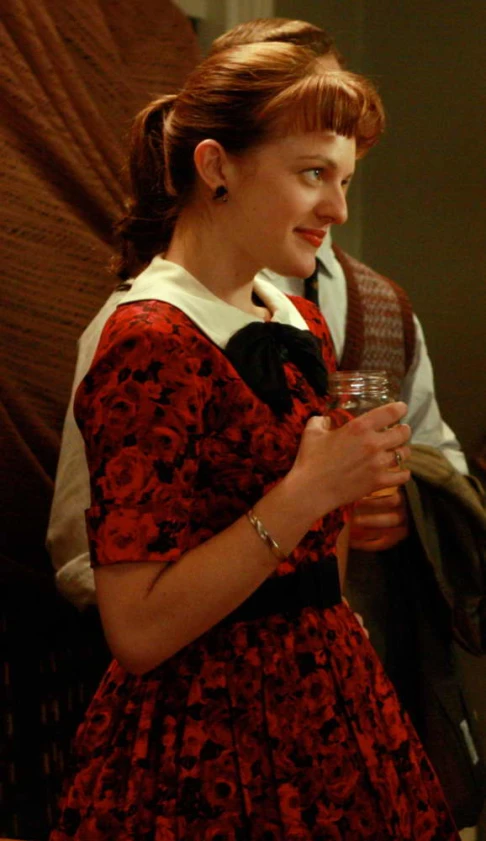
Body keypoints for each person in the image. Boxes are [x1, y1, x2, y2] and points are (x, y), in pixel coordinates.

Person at [48, 43, 460, 840]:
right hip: (205, 732)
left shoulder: (294, 317)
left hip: (332, 698)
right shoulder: (147, 336)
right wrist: (309, 490)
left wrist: (341, 499)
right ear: (216, 166)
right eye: (313, 174)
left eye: (346, 179)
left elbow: (319, 555)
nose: (338, 209)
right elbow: (134, 632)